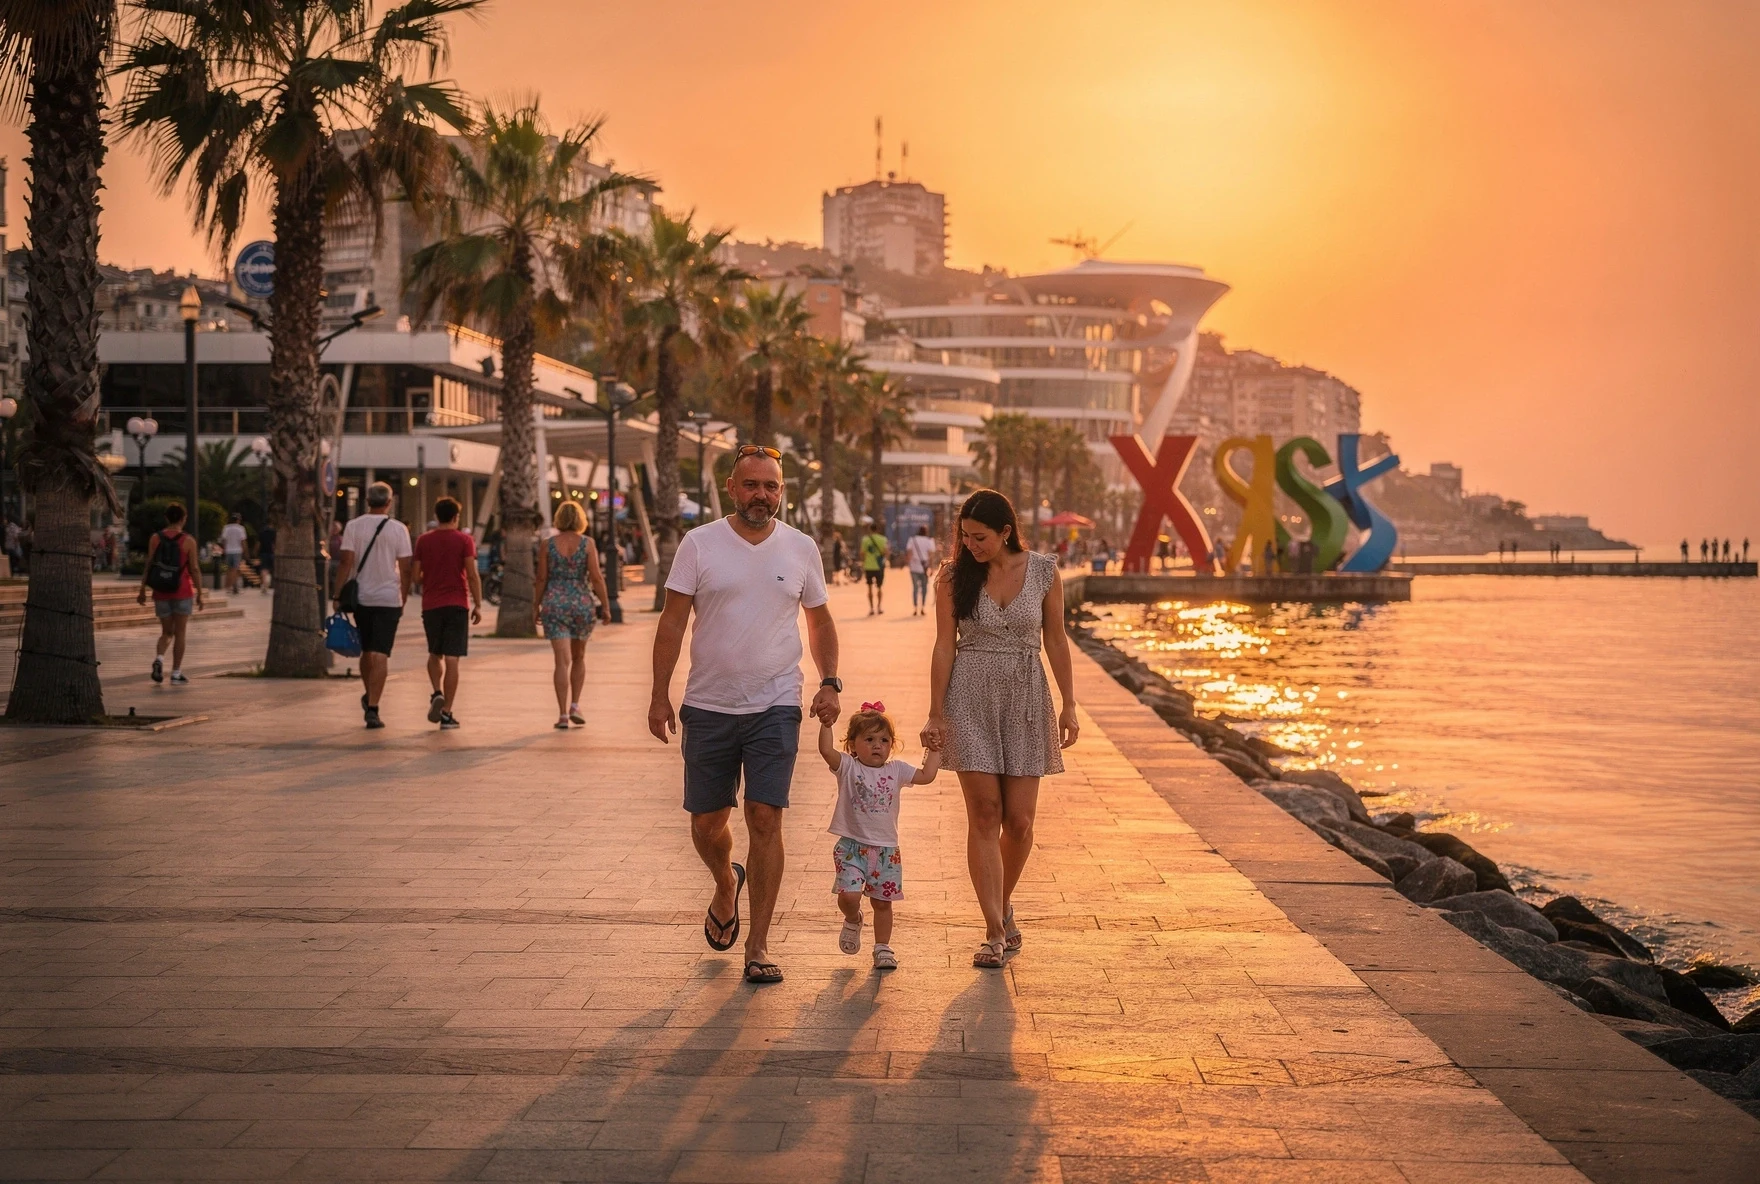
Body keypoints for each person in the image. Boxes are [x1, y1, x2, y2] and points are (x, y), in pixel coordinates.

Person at [649, 445, 841, 986]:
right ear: (731, 488)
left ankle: (757, 945)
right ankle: (725, 884)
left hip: (775, 704)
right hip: (708, 704)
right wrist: (659, 694)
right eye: (752, 485)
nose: (763, 495)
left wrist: (829, 680)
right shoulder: (700, 543)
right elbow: (671, 623)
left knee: (765, 817)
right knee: (708, 824)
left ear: (783, 491)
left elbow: (820, 621)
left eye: (772, 486)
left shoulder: (801, 548)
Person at [922, 489, 1077, 969]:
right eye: (964, 537)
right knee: (985, 814)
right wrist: (935, 712)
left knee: (1021, 822)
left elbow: (1055, 638)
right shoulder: (952, 577)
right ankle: (992, 929)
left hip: (1027, 695)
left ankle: (1002, 902)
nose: (970, 545)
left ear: (1006, 531)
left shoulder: (1046, 572)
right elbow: (944, 646)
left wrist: (1069, 704)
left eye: (980, 537)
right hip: (969, 695)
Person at [816, 700, 939, 970]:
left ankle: (882, 947)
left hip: (886, 852)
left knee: (883, 903)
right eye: (869, 739)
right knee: (849, 896)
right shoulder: (848, 767)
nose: (877, 745)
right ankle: (853, 918)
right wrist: (827, 724)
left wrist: (934, 749)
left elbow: (927, 775)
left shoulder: (896, 771)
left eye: (884, 740)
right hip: (851, 847)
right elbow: (826, 750)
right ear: (852, 745)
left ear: (891, 745)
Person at [333, 481, 412, 729]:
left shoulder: (353, 526)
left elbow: (346, 561)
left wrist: (337, 595)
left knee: (368, 650)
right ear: (389, 502)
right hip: (389, 598)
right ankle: (374, 707)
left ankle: (370, 697)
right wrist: (404, 595)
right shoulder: (399, 529)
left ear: (367, 501)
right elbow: (406, 567)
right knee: (380, 653)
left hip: (362, 598)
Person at [406, 497, 483, 731]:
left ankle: (436, 691)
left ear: (437, 516)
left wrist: (429, 577)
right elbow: (471, 573)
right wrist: (478, 604)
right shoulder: (464, 540)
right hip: (457, 603)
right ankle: (447, 712)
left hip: (431, 605)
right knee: (452, 659)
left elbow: (415, 576)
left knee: (434, 652)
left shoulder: (423, 540)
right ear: (456, 517)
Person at [538, 499, 611, 730]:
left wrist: (535, 606)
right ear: (580, 520)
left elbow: (541, 579)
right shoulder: (587, 544)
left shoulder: (547, 545)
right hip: (581, 603)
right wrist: (606, 606)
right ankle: (575, 705)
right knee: (579, 657)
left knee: (561, 661)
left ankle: (561, 714)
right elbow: (596, 577)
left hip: (554, 603)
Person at [136, 502, 204, 683]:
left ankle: (159, 658)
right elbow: (195, 568)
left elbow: (149, 564)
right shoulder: (188, 540)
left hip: (161, 591)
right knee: (180, 633)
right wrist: (200, 593)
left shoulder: (155, 538)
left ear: (166, 518)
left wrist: (142, 588)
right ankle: (175, 674)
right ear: (184, 518)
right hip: (182, 590)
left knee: (167, 632)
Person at [904, 525, 937, 616]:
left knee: (915, 588)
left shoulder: (912, 540)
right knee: (924, 588)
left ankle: (915, 608)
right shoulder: (929, 541)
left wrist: (907, 563)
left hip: (914, 567)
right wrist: (932, 568)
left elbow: (909, 554)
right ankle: (922, 607)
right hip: (924, 568)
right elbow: (931, 556)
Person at [860, 520, 889, 614]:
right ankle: (879, 607)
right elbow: (886, 552)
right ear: (877, 530)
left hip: (868, 566)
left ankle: (871, 608)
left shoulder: (865, 540)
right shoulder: (883, 539)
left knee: (869, 588)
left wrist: (863, 562)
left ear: (870, 529)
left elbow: (862, 553)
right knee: (879, 587)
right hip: (879, 567)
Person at [220, 513, 248, 593]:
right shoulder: (241, 528)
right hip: (237, 551)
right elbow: (243, 541)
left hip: (228, 551)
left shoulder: (226, 528)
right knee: (236, 569)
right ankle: (232, 586)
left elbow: (224, 540)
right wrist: (245, 551)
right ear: (238, 520)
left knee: (229, 569)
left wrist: (224, 549)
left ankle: (230, 586)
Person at [257, 521, 276, 593]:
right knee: (271, 569)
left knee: (264, 569)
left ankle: (264, 584)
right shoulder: (274, 532)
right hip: (271, 552)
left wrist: (256, 552)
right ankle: (268, 583)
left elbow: (258, 543)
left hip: (263, 552)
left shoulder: (261, 532)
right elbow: (274, 544)